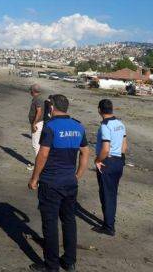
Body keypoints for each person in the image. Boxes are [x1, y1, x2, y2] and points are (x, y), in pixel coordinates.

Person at [28, 94, 91, 272]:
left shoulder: (51, 127)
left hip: (51, 182)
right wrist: (78, 175)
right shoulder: (78, 126)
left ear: (52, 107)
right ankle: (69, 261)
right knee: (69, 221)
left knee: (50, 224)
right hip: (70, 182)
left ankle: (52, 265)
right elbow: (85, 153)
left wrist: (34, 178)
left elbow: (43, 154)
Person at [94, 99, 127, 236]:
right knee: (112, 193)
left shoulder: (105, 126)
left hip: (107, 162)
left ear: (100, 110)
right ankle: (109, 221)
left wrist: (97, 160)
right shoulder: (120, 124)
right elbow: (124, 146)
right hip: (119, 161)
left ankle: (108, 226)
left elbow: (105, 149)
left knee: (106, 194)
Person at [27, 84, 45, 171]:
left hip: (37, 124)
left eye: (30, 90)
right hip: (39, 123)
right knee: (38, 145)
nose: (30, 92)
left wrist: (34, 123)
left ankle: (39, 166)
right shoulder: (39, 98)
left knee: (36, 145)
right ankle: (40, 164)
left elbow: (39, 111)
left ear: (33, 91)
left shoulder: (38, 99)